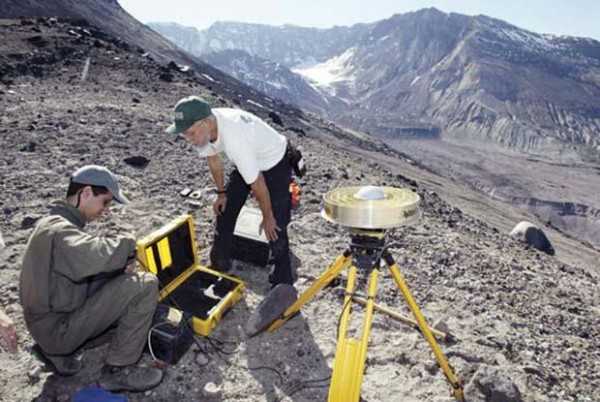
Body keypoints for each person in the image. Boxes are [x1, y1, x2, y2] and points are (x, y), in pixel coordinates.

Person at [19, 165, 163, 392]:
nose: (105, 210)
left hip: (45, 324)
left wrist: (115, 273)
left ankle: (55, 353)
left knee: (119, 284)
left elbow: (78, 272)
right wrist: (128, 243)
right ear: (85, 193)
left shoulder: (52, 223)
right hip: (57, 330)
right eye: (105, 202)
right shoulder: (60, 232)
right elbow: (98, 255)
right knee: (145, 285)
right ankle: (118, 371)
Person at [166, 96, 295, 287]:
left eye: (190, 133)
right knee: (224, 209)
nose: (189, 139)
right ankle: (220, 263)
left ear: (205, 123)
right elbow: (213, 159)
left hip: (275, 161)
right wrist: (221, 193)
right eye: (185, 134)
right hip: (250, 160)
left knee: (275, 225)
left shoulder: (235, 138)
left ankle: (282, 281)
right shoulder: (206, 129)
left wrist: (267, 216)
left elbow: (258, 183)